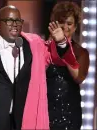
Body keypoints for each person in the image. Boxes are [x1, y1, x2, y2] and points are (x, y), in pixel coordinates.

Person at [46, 1, 90, 130]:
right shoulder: (44, 48)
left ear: (75, 27)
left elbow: (79, 78)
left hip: (70, 112)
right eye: (61, 22)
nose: (65, 27)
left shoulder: (81, 52)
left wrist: (63, 46)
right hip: (46, 109)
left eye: (69, 23)